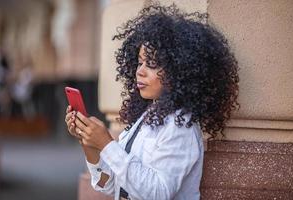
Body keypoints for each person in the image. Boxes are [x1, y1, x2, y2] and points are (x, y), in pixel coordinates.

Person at [65, 3, 239, 200]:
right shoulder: (147, 116)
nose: (140, 71)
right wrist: (88, 141)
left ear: (179, 71)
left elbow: (157, 193)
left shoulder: (180, 126)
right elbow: (109, 184)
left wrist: (106, 143)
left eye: (152, 64)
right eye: (140, 62)